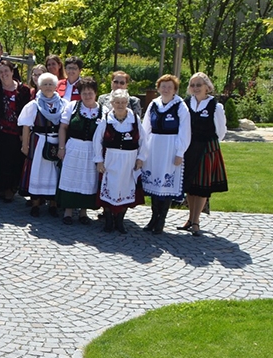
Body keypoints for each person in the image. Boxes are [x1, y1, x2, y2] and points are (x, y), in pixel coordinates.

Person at [139, 74, 191, 235]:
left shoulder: (180, 106)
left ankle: (161, 219)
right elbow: (145, 127)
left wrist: (180, 152)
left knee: (165, 184)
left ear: (175, 89)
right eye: (163, 86)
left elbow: (185, 131)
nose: (166, 89)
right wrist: (143, 150)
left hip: (170, 147)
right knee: (154, 183)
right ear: (158, 88)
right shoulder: (154, 104)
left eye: (170, 86)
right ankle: (154, 217)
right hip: (154, 147)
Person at [180, 72, 228, 237]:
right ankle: (190, 218)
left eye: (199, 85)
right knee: (190, 185)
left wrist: (209, 144)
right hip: (189, 147)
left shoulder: (215, 106)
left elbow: (221, 131)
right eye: (192, 85)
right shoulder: (186, 104)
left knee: (201, 186)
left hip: (206, 148)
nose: (195, 88)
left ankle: (196, 221)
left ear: (207, 87)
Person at [95, 89, 145, 233]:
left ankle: (120, 220)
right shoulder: (106, 118)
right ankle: (109, 220)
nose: (120, 105)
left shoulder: (134, 119)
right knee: (109, 187)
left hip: (129, 161)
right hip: (110, 159)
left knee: (125, 188)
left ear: (127, 103)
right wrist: (99, 160)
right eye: (117, 102)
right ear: (112, 103)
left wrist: (140, 159)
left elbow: (143, 141)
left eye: (123, 102)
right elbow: (97, 140)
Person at [55, 78, 102, 225]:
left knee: (87, 180)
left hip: (91, 150)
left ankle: (83, 212)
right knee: (70, 177)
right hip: (73, 147)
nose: (87, 96)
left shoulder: (103, 110)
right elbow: (63, 128)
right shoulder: (73, 106)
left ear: (95, 93)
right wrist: (61, 148)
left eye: (90, 93)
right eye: (84, 93)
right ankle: (68, 212)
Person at [20, 72, 64, 218]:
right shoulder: (34, 105)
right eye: (44, 84)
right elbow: (26, 126)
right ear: (39, 86)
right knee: (36, 171)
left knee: (54, 173)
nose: (48, 87)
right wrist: (25, 145)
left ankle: (53, 204)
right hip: (38, 141)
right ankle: (35, 204)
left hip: (57, 141)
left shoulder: (63, 104)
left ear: (56, 86)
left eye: (51, 84)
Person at [0, 60, 31, 202]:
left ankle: (11, 188)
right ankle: (1, 186)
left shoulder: (24, 90)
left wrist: (23, 133)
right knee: (0, 159)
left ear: (12, 72)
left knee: (14, 160)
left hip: (16, 131)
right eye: (1, 72)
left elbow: (27, 112)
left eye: (6, 71)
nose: (4, 74)